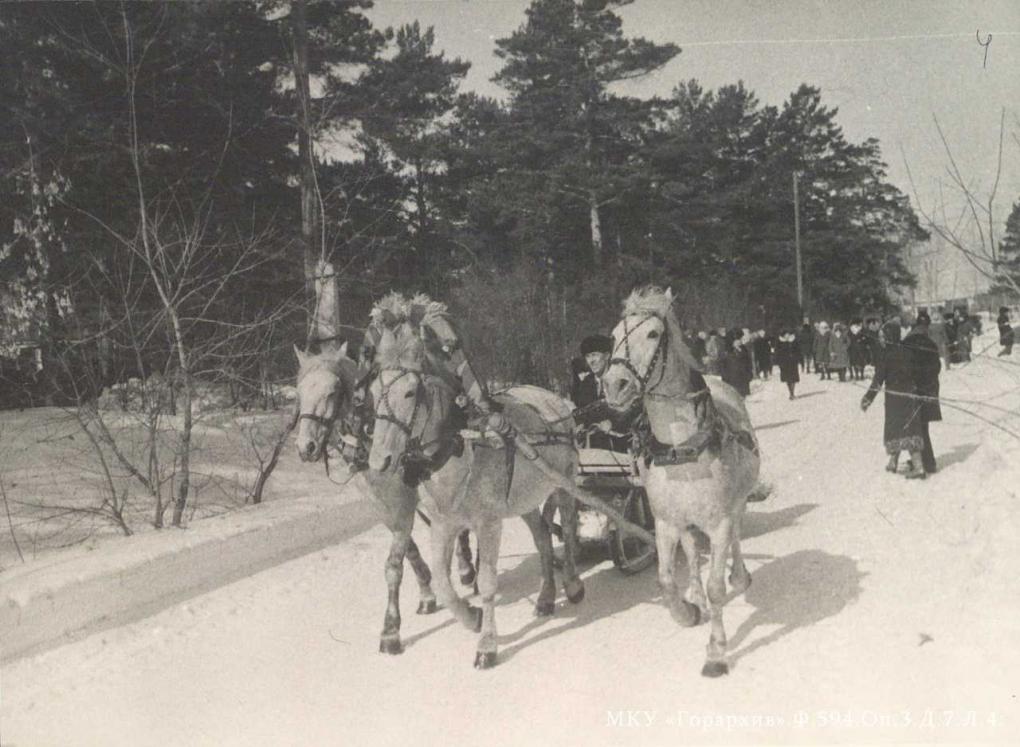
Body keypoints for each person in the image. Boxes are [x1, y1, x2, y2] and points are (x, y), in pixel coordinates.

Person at [860, 319, 927, 479]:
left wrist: (868, 398)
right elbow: (919, 373)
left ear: (890, 337)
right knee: (910, 430)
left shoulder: (885, 355)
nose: (881, 340)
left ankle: (918, 468)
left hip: (895, 400)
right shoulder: (908, 351)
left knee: (896, 429)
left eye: (883, 337)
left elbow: (878, 380)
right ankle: (895, 463)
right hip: (910, 397)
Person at [570, 334, 630, 451]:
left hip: (622, 447)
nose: (591, 361)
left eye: (594, 355)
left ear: (607, 356)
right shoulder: (585, 384)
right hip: (594, 449)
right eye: (588, 356)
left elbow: (632, 411)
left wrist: (613, 423)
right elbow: (582, 411)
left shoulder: (621, 380)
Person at [903, 312, 942, 474]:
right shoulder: (931, 344)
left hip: (911, 390)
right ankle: (926, 461)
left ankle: (925, 462)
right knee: (923, 426)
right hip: (928, 389)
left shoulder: (906, 342)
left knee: (914, 427)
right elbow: (936, 368)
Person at [720, 328, 752, 396]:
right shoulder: (726, 352)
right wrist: (725, 379)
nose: (740, 341)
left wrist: (749, 374)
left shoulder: (744, 349)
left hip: (743, 380)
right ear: (732, 341)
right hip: (732, 381)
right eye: (738, 340)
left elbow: (748, 363)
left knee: (743, 397)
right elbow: (722, 367)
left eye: (740, 339)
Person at [774, 328, 800, 399]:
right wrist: (777, 361)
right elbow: (777, 352)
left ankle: (792, 393)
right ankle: (791, 393)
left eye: (788, 334)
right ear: (783, 335)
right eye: (786, 334)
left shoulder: (793, 340)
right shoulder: (779, 341)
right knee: (787, 378)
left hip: (793, 362)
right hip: (784, 363)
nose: (787, 335)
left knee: (793, 378)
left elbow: (798, 350)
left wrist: (797, 358)